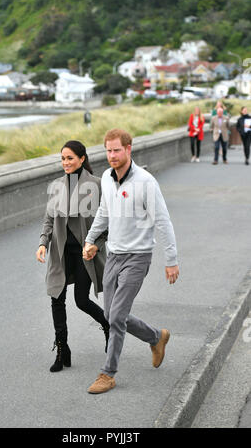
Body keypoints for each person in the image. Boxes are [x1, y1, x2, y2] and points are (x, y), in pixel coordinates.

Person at [82, 128, 179, 394]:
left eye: (116, 150)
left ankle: (108, 374)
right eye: (108, 150)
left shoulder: (146, 182)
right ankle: (156, 337)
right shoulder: (106, 177)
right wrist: (91, 240)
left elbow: (163, 221)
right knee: (110, 314)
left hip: (138, 257)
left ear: (128, 149)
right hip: (113, 254)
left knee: (116, 319)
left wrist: (171, 260)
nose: (112, 155)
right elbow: (104, 212)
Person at [36, 140, 109, 373]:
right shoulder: (57, 186)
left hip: (84, 253)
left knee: (81, 300)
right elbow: (49, 219)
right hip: (60, 252)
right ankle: (62, 349)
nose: (65, 163)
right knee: (56, 298)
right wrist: (42, 243)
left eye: (70, 158)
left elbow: (106, 222)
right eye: (63, 159)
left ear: (82, 159)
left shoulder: (96, 185)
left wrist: (96, 245)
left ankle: (108, 325)